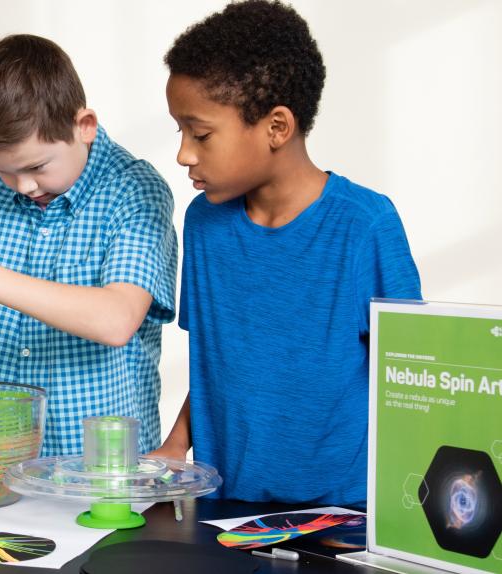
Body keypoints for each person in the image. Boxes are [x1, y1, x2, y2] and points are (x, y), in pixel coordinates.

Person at [151, 0, 421, 506]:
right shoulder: (204, 223)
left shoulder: (365, 226)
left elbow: (409, 378)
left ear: (277, 127)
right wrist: (175, 444)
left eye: (201, 133)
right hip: (226, 512)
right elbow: (218, 365)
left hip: (343, 515)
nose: (184, 153)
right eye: (181, 132)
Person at [0, 35, 177, 455]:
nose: (22, 186)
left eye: (37, 166)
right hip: (9, 462)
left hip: (105, 469)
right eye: (3, 170)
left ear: (85, 126)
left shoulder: (134, 190)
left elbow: (116, 320)